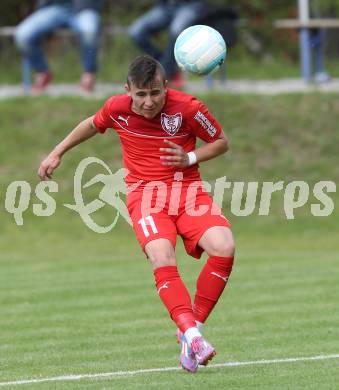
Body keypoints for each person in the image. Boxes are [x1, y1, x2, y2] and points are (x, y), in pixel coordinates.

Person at [38, 55, 235, 373]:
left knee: (224, 247)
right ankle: (194, 335)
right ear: (127, 90)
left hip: (188, 192)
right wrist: (56, 152)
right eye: (140, 94)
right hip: (145, 196)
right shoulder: (117, 108)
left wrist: (189, 157)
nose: (148, 102)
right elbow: (91, 124)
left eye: (155, 93)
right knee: (161, 254)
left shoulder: (189, 108)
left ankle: (190, 327)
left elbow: (221, 142)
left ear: (165, 87)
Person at [15, 0, 106, 93]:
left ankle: (89, 74)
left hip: (85, 9)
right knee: (23, 34)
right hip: (53, 9)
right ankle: (42, 72)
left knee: (89, 31)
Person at [128, 0, 206, 88]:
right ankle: (167, 69)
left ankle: (164, 72)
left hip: (190, 6)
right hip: (164, 7)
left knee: (176, 30)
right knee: (135, 32)